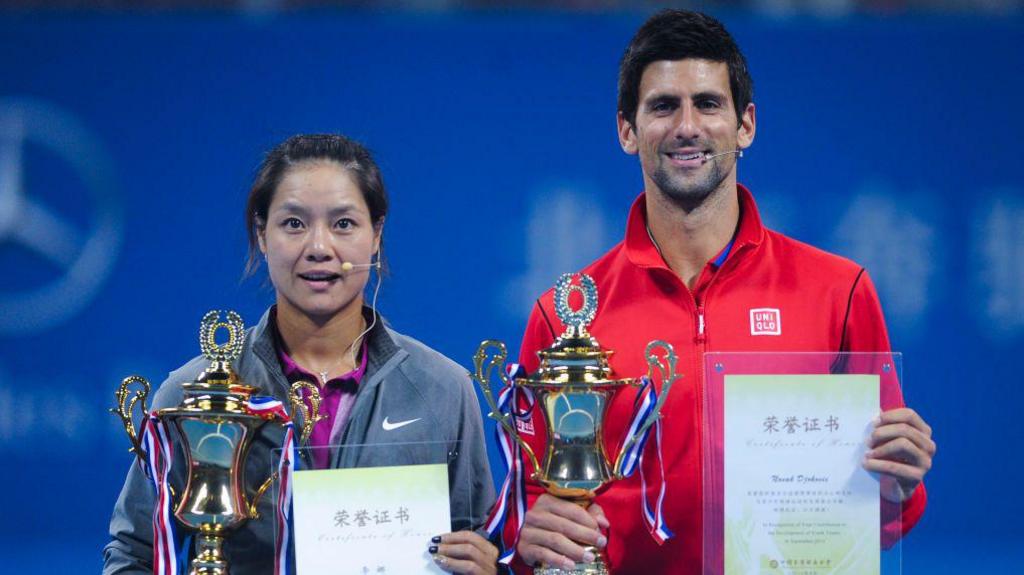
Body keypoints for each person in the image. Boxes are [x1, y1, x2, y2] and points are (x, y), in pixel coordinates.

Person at [506, 10, 936, 574]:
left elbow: (884, 515)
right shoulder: (568, 315)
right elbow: (526, 509)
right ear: (627, 131)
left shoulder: (839, 291)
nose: (687, 126)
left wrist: (899, 480)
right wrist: (528, 532)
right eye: (663, 106)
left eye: (708, 103)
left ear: (745, 125)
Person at [104, 134, 499, 575]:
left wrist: (487, 566)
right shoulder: (194, 397)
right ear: (262, 234)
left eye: (344, 224)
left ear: (376, 235)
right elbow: (134, 555)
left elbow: (475, 539)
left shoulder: (442, 388)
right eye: (293, 223)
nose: (318, 246)